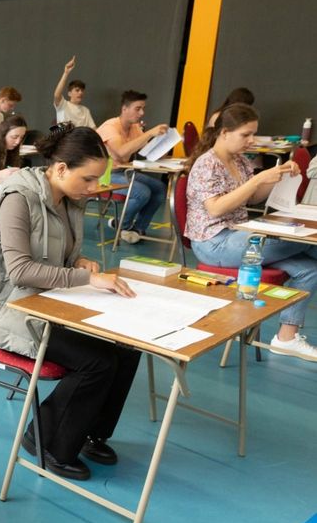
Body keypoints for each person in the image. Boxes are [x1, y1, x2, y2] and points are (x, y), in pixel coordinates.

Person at [0, 124, 141, 480]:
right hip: (5, 312)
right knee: (98, 362)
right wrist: (88, 278)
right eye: (87, 179)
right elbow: (22, 271)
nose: (93, 188)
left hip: (48, 304)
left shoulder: (69, 199)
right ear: (60, 169)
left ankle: (91, 432)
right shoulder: (17, 199)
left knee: (126, 347)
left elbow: (57, 255)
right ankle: (48, 441)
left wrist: (80, 261)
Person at [186, 103, 317, 359]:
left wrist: (275, 178)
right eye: (245, 134)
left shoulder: (239, 161)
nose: (251, 140)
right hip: (214, 242)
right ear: (224, 133)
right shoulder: (206, 164)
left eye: (253, 134)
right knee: (308, 243)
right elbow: (215, 208)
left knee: (311, 269)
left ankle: (285, 338)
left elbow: (253, 198)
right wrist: (258, 178)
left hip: (241, 236)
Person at [96, 90, 170, 243]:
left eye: (143, 108)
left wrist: (166, 141)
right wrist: (149, 133)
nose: (142, 113)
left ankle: (138, 229)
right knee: (141, 192)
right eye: (138, 108)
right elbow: (122, 153)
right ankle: (122, 225)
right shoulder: (110, 127)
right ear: (124, 109)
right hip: (104, 175)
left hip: (123, 171)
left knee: (160, 188)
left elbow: (149, 152)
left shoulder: (135, 128)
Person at [53, 56, 95, 128]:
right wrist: (66, 73)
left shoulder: (85, 111)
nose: (80, 93)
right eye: (77, 90)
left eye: (82, 91)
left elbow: (93, 129)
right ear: (69, 93)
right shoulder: (63, 105)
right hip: (65, 138)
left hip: (82, 139)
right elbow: (57, 95)